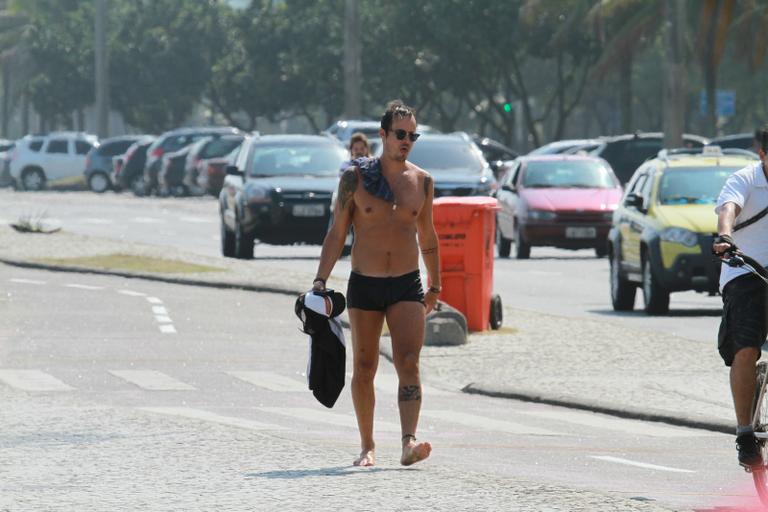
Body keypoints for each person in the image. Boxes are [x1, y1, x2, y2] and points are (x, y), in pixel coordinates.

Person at [312, 100, 440, 467]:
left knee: (409, 362)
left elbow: (428, 238)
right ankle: (367, 445)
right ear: (382, 135)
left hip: (406, 284)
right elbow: (337, 234)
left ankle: (408, 442)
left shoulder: (423, 182)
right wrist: (320, 280)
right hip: (365, 284)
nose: (406, 141)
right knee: (365, 367)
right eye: (400, 134)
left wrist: (436, 286)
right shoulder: (356, 178)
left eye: (412, 135)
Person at [713, 125, 768, 469]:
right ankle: (746, 432)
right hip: (745, 271)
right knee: (746, 347)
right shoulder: (744, 179)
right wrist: (725, 237)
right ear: (763, 154)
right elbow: (728, 209)